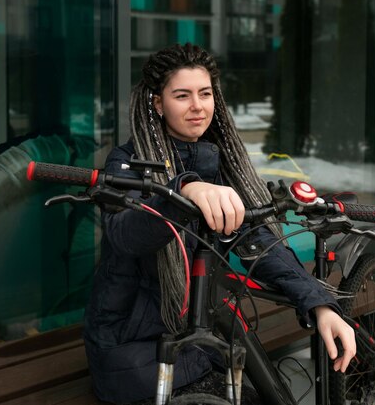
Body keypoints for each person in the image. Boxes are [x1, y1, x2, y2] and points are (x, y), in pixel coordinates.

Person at [82, 43, 356, 404]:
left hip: (200, 337)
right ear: (158, 104)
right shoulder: (128, 162)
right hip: (134, 349)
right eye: (182, 95)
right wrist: (184, 190)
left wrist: (319, 303)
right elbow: (127, 234)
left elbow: (258, 240)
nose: (197, 106)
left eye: (205, 93)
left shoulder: (218, 163)